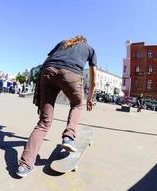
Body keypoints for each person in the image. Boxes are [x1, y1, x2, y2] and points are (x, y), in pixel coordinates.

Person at [16, 35, 97, 178]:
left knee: (44, 122)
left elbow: (47, 60)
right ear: (84, 42)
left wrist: (40, 84)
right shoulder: (89, 49)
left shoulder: (63, 43)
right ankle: (68, 137)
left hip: (48, 71)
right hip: (71, 74)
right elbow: (93, 77)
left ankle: (25, 165)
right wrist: (90, 96)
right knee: (78, 104)